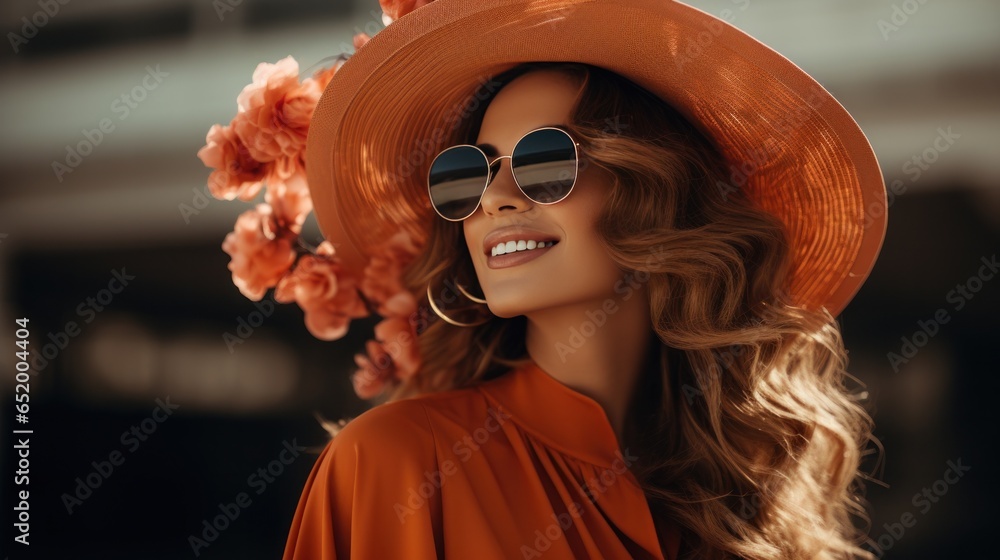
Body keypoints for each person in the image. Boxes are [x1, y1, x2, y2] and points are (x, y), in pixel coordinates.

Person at [200, 1, 887, 558]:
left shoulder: (743, 496)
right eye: (467, 173)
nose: (495, 199)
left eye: (545, 162)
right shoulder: (397, 465)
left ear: (658, 191)